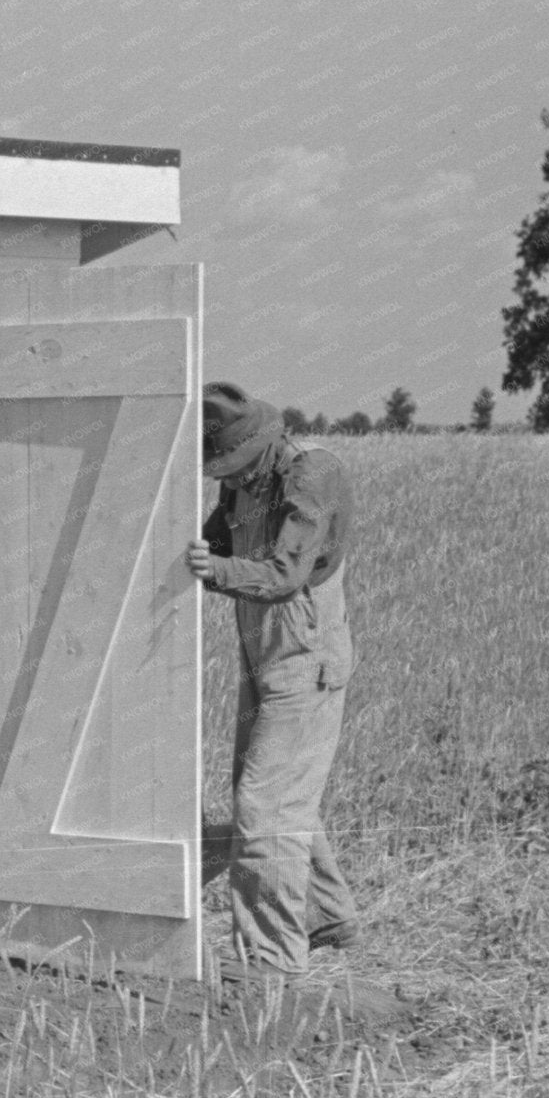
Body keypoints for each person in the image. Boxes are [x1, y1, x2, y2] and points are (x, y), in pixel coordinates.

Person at [186, 383, 358, 978]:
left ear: (265, 443)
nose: (226, 480)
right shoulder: (244, 480)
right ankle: (323, 914)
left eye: (232, 467)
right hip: (262, 650)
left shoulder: (312, 475)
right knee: (275, 794)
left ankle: (272, 959)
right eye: (219, 469)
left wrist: (217, 569)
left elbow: (285, 574)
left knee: (265, 804)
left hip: (304, 652)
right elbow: (215, 539)